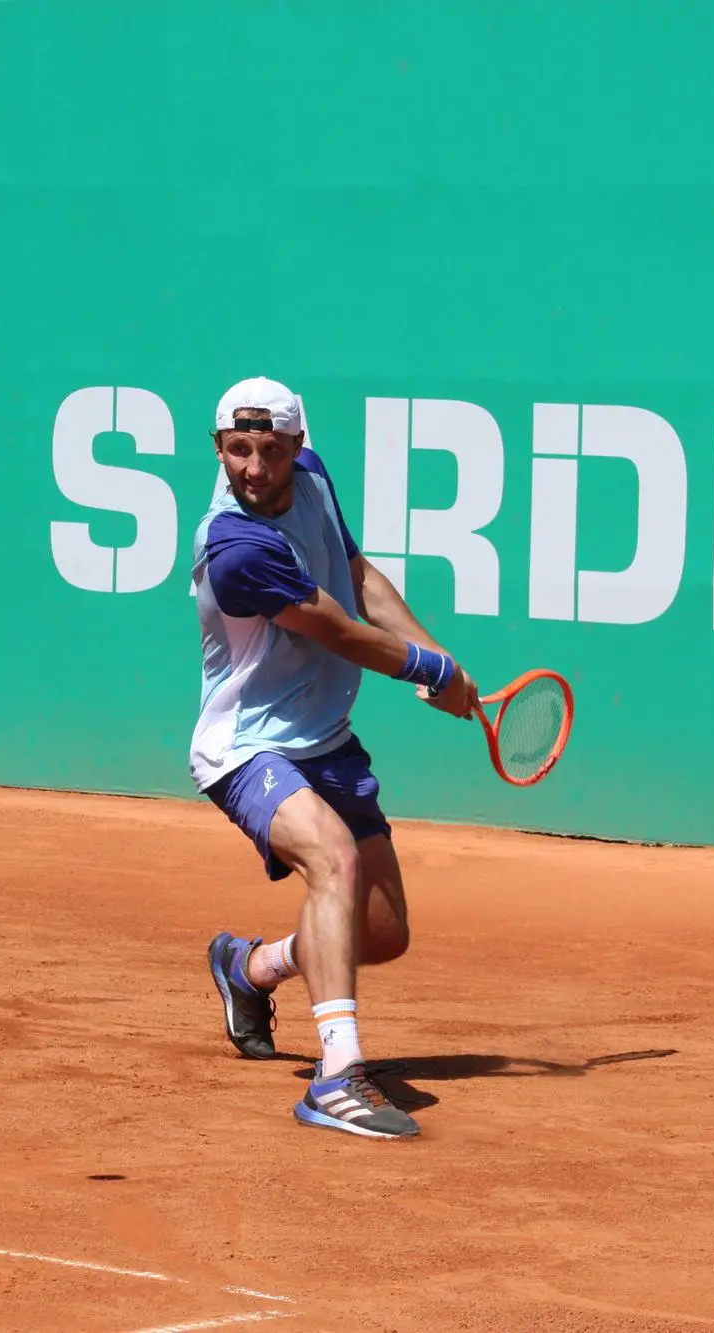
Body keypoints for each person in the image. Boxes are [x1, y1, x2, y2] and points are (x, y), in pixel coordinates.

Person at [195, 376, 480, 1140]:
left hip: (325, 738)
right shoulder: (235, 549)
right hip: (244, 746)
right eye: (237, 450)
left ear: (298, 446)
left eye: (270, 450)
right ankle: (337, 1075)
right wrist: (429, 672)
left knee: (381, 933)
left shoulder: (312, 477)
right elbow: (337, 629)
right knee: (332, 860)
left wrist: (430, 648)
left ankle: (249, 967)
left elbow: (353, 573)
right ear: (217, 449)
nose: (254, 468)